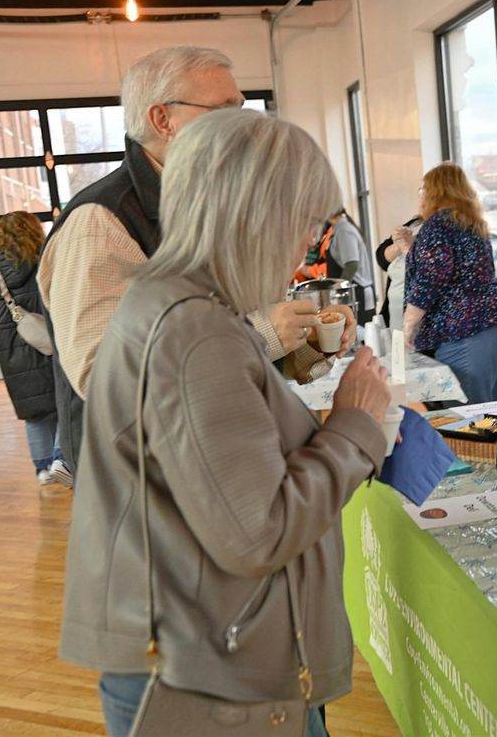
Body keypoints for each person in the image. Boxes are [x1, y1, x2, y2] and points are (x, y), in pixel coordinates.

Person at [59, 109, 391, 737]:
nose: (306, 244)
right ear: (254, 217)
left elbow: (221, 437)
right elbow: (258, 532)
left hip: (204, 647)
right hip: (214, 670)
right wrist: (356, 425)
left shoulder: (182, 303)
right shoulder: (193, 330)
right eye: (303, 222)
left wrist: (296, 370)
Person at [37, 45, 334, 478]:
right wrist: (263, 333)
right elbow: (110, 385)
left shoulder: (208, 206)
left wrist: (307, 347)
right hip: (147, 479)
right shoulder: (100, 222)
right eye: (224, 110)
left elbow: (233, 347)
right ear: (163, 120)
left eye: (242, 109)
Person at [403, 163, 497, 404]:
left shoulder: (437, 225)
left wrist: (409, 324)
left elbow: (431, 278)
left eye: (423, 190)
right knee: (490, 410)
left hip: (467, 327)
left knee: (466, 413)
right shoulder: (470, 223)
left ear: (433, 192)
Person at [0, 211, 72, 487]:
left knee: (34, 412)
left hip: (13, 354)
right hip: (50, 345)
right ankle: (61, 457)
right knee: (63, 401)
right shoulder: (46, 262)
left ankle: (43, 469)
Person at [374, 214, 423, 328]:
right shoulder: (414, 223)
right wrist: (398, 245)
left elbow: (431, 272)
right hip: (394, 316)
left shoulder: (443, 230)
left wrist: (409, 247)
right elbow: (381, 258)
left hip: (418, 320)